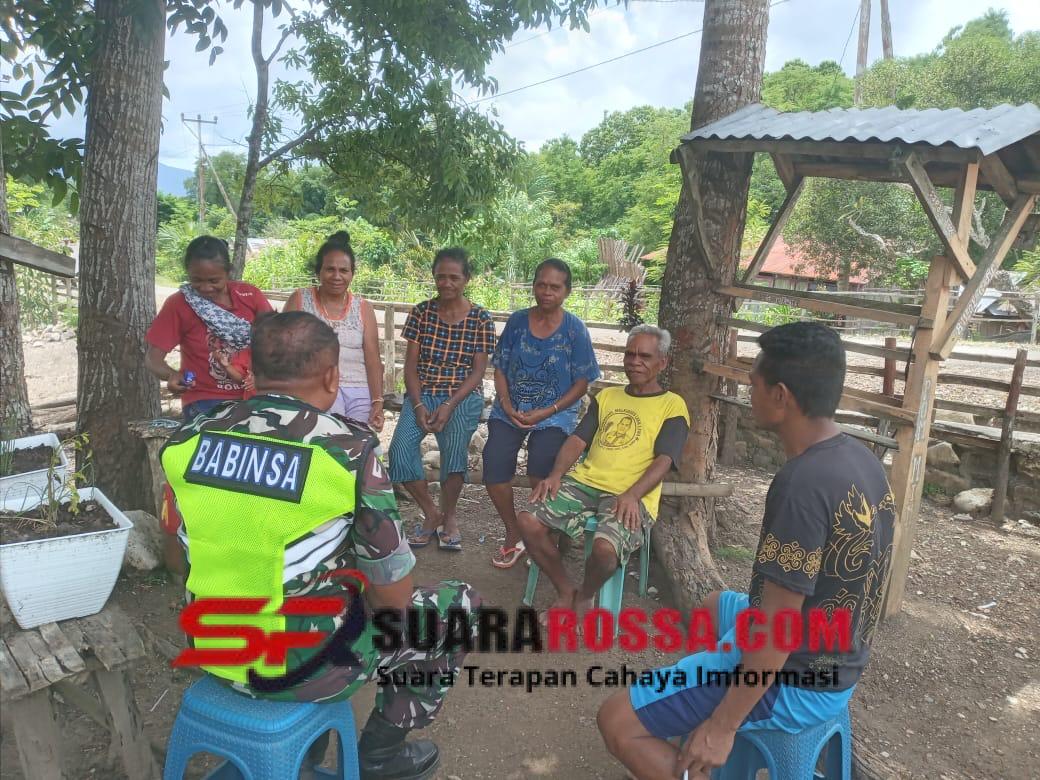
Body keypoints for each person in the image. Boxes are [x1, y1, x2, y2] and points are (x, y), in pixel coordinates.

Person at [160, 311, 479, 780]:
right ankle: (380, 754)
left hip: (212, 647)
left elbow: (175, 557)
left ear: (252, 374)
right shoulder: (347, 452)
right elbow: (393, 598)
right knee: (457, 606)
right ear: (332, 378)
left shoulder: (186, 441)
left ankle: (308, 748)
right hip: (306, 668)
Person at [597, 322, 896, 780]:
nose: (748, 393)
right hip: (838, 650)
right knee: (713, 605)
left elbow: (776, 632)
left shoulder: (801, 485)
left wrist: (723, 725)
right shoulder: (862, 459)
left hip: (794, 677)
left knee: (616, 721)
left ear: (781, 395)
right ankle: (699, 701)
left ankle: (712, 729)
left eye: (753, 384)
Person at [517, 325, 689, 616]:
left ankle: (586, 595)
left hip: (630, 494)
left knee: (605, 550)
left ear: (663, 362)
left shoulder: (673, 406)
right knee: (528, 521)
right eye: (630, 354)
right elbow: (578, 439)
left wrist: (633, 495)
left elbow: (665, 459)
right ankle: (565, 590)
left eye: (645, 356)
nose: (635, 362)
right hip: (585, 483)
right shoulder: (608, 396)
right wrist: (556, 474)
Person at [484, 258, 600, 569]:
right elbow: (500, 367)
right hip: (511, 410)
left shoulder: (575, 330)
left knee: (543, 467)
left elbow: (582, 382)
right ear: (534, 286)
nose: (547, 292)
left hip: (555, 414)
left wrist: (548, 410)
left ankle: (543, 534)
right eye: (541, 285)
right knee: (494, 463)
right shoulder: (517, 322)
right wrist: (506, 404)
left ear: (567, 291)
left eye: (555, 287)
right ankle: (513, 531)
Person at [388, 248, 496, 553]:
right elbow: (410, 367)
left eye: (454, 277)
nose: (446, 283)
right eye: (440, 277)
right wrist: (418, 404)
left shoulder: (480, 318)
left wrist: (449, 405)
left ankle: (449, 518)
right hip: (422, 393)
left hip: (463, 396)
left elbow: (478, 372)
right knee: (399, 451)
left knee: (454, 457)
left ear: (466, 279)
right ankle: (431, 513)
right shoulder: (421, 312)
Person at [145, 236, 273, 420]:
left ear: (228, 272)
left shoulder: (250, 295)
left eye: (214, 281)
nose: (205, 288)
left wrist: (261, 377)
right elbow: (153, 359)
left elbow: (276, 341)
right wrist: (172, 375)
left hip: (254, 393)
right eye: (196, 280)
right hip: (205, 399)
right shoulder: (178, 304)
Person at [283, 230, 385, 431]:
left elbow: (373, 358)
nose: (337, 276)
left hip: (359, 389)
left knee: (361, 440)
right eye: (330, 269)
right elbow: (283, 349)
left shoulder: (363, 308)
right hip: (316, 388)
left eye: (344, 270)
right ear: (318, 272)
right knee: (330, 438)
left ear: (352, 274)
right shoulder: (300, 300)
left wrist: (377, 401)